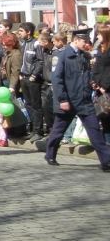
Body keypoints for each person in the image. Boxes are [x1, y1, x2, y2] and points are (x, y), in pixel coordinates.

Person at [44, 27, 110, 171]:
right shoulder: (62, 56)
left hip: (84, 100)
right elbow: (57, 79)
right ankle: (50, 154)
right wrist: (62, 100)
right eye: (84, 41)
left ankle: (106, 161)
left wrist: (92, 82)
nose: (87, 43)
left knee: (94, 131)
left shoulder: (83, 56)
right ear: (76, 40)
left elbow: (87, 75)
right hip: (68, 100)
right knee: (58, 131)